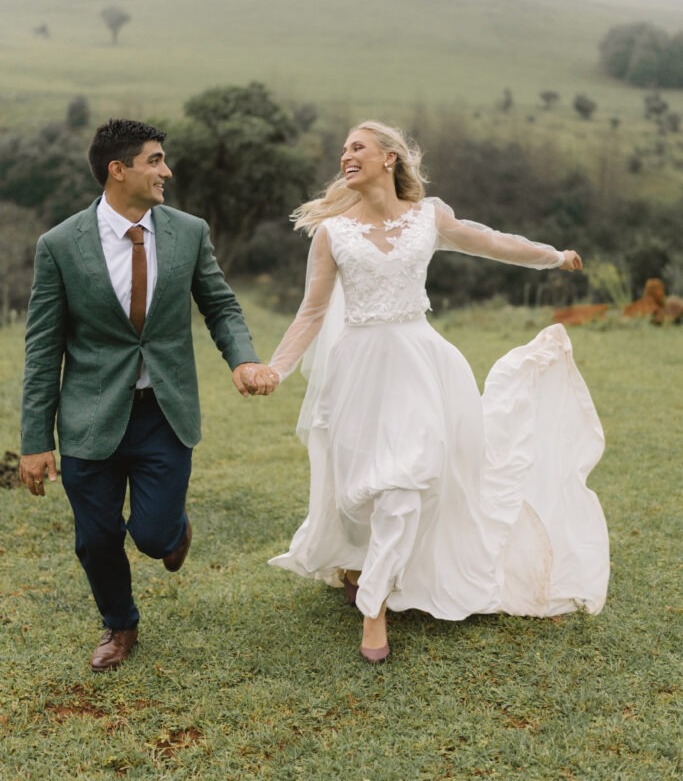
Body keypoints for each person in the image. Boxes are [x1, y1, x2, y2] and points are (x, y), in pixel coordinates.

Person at [266, 121, 609, 663]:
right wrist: (275, 370)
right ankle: (363, 564)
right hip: (358, 370)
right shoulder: (332, 233)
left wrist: (553, 255)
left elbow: (493, 242)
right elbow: (311, 312)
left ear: (389, 158)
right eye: (343, 150)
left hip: (423, 366)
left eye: (357, 147)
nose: (345, 155)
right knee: (364, 492)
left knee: (407, 481)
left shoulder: (429, 217)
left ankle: (373, 609)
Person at [19, 118, 278, 671]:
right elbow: (42, 349)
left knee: (155, 537)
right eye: (155, 160)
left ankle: (173, 530)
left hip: (164, 411)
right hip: (90, 415)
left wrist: (245, 358)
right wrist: (35, 441)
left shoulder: (189, 231)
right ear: (119, 171)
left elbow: (221, 306)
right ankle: (120, 625)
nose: (167, 170)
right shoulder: (60, 245)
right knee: (96, 538)